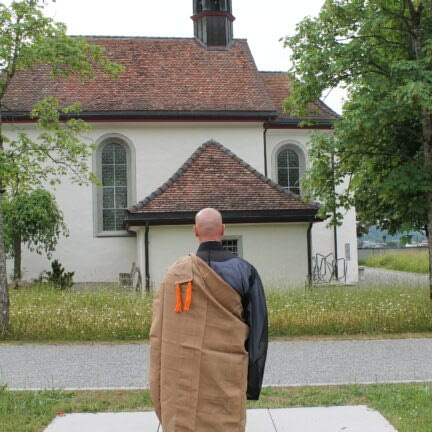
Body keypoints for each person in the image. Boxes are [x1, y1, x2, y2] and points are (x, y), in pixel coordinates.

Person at [149, 208, 268, 432]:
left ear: (195, 231)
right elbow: (258, 328)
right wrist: (251, 382)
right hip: (228, 373)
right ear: (223, 230)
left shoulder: (174, 275)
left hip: (185, 377)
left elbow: (161, 333)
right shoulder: (244, 271)